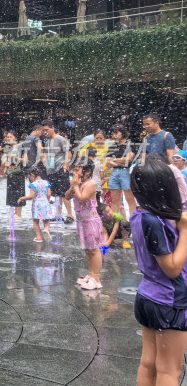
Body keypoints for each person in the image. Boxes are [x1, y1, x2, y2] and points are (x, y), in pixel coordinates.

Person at [129, 159, 187, 386]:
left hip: (148, 295)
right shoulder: (154, 221)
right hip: (169, 301)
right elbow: (173, 268)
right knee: (168, 372)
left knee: (150, 365)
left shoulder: (140, 214)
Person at [67, 160, 103, 290]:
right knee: (87, 249)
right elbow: (67, 197)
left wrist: (76, 186)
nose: (74, 172)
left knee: (94, 249)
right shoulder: (78, 184)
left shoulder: (89, 185)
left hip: (91, 221)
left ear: (87, 172)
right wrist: (72, 188)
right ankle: (91, 275)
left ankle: (97, 278)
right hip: (82, 221)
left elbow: (82, 198)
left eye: (77, 170)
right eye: (74, 170)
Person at [41, 121, 74, 223]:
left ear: (53, 128)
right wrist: (46, 166)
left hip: (60, 169)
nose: (45, 132)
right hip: (51, 170)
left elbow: (68, 153)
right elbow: (47, 154)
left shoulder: (60, 139)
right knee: (56, 194)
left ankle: (70, 215)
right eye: (43, 130)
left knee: (64, 192)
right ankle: (58, 214)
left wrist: (65, 167)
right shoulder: (47, 141)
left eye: (47, 130)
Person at [105, 125, 136, 218]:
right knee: (114, 200)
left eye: (116, 133)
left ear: (122, 133)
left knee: (129, 199)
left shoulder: (129, 144)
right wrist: (120, 161)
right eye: (112, 133)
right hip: (115, 172)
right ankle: (115, 222)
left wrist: (114, 160)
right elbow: (107, 162)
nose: (114, 135)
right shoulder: (112, 147)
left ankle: (133, 220)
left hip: (126, 172)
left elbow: (129, 159)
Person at [18, 166, 53, 243]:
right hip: (45, 203)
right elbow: (49, 194)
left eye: (29, 176)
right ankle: (46, 229)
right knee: (46, 220)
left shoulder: (33, 184)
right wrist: (47, 200)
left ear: (32, 175)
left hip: (37, 204)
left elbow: (31, 196)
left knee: (36, 221)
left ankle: (39, 237)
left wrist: (22, 198)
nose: (29, 178)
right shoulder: (46, 183)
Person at [1, 131, 26, 219]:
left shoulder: (20, 147)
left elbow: (25, 160)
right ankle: (13, 214)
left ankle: (18, 214)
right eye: (7, 137)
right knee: (11, 193)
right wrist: (7, 164)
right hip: (10, 173)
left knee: (19, 193)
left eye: (10, 137)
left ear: (15, 138)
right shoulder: (7, 148)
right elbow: (3, 159)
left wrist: (15, 159)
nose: (8, 138)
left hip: (18, 172)